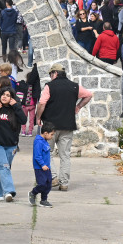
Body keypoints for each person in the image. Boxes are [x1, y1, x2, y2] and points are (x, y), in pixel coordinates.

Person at [35, 63, 94, 192]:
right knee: (65, 155)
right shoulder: (74, 86)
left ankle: (53, 177)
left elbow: (41, 104)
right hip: (68, 125)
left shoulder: (49, 87)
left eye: (51, 74)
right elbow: (89, 95)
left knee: (47, 152)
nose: (50, 77)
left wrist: (38, 117)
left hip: (50, 126)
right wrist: (78, 107)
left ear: (55, 73)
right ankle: (64, 183)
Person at [0, 87, 27, 202]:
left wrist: (16, 106)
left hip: (11, 146)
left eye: (8, 95)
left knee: (3, 169)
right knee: (4, 167)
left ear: (12, 98)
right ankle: (9, 191)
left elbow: (23, 120)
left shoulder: (15, 109)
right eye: (3, 94)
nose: (4, 97)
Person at [29, 121, 55, 208]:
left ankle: (44, 200)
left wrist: (47, 165)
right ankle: (33, 193)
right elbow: (37, 155)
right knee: (42, 184)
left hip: (47, 167)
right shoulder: (38, 142)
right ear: (45, 133)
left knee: (48, 184)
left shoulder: (44, 140)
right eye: (51, 134)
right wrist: (42, 164)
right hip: (40, 168)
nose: (52, 137)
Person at [19, 65, 41, 137]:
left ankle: (23, 131)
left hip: (24, 105)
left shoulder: (24, 85)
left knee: (23, 119)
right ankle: (30, 131)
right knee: (31, 119)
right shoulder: (35, 87)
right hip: (32, 105)